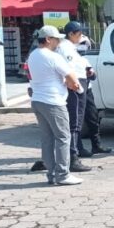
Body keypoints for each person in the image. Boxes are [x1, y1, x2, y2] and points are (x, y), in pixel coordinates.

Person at [27, 25, 83, 185]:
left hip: (38, 100)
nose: (59, 41)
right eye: (56, 38)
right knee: (63, 137)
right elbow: (72, 78)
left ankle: (52, 174)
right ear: (48, 39)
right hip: (53, 101)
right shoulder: (53, 57)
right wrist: (75, 86)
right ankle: (63, 174)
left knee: (47, 139)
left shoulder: (33, 55)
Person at [55, 22, 92, 172]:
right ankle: (73, 158)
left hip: (78, 85)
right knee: (75, 123)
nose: (81, 37)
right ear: (71, 34)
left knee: (77, 121)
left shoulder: (70, 47)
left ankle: (78, 148)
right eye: (79, 34)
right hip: (75, 87)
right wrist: (77, 88)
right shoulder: (65, 48)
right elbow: (69, 70)